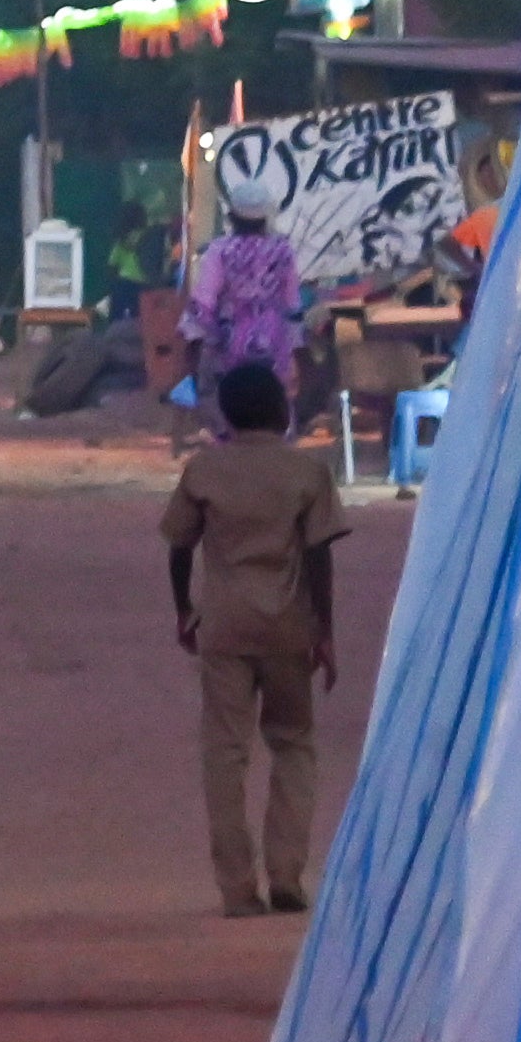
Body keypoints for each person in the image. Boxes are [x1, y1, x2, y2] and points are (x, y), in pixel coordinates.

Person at [159, 362, 346, 917]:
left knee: (225, 751)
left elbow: (179, 547)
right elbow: (319, 557)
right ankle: (286, 873)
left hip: (224, 624)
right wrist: (324, 631)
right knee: (293, 744)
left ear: (227, 415)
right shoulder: (307, 473)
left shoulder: (203, 471)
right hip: (288, 625)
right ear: (282, 412)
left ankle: (238, 887)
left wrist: (184, 610)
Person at [181, 201, 306, 419]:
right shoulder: (283, 250)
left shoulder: (220, 250)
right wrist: (294, 346)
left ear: (232, 218)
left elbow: (204, 301)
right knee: (274, 400)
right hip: (274, 341)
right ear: (265, 218)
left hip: (231, 340)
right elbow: (292, 302)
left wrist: (197, 336)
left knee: (226, 400)